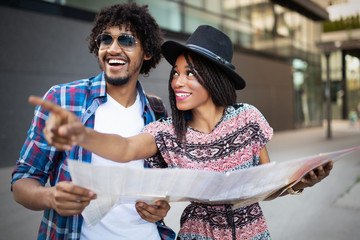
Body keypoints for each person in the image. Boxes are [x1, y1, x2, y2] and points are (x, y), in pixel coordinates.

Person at [30, 25, 333, 240]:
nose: (177, 82)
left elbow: (267, 186)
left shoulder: (248, 119)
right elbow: (124, 148)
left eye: (190, 73)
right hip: (195, 235)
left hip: (253, 234)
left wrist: (298, 183)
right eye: (176, 72)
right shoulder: (167, 132)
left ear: (214, 78)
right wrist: (81, 134)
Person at [11, 3, 175, 240]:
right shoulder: (63, 100)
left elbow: (160, 188)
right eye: (106, 39)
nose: (113, 48)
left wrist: (160, 207)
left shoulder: (156, 111)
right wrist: (50, 197)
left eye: (126, 40)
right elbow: (22, 181)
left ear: (147, 52)